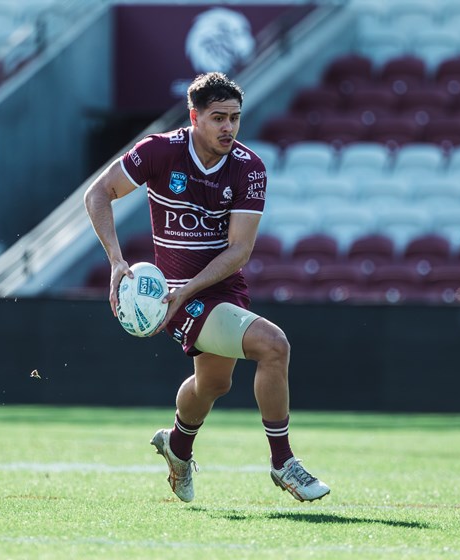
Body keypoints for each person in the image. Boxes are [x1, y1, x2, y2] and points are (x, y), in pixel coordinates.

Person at [84, 72, 330, 503]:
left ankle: (177, 446)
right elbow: (98, 193)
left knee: (213, 384)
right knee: (273, 346)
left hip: (218, 287)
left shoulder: (249, 168)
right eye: (218, 118)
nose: (228, 127)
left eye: (235, 117)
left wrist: (194, 287)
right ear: (194, 117)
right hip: (172, 296)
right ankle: (283, 462)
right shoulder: (160, 151)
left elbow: (239, 250)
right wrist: (117, 261)